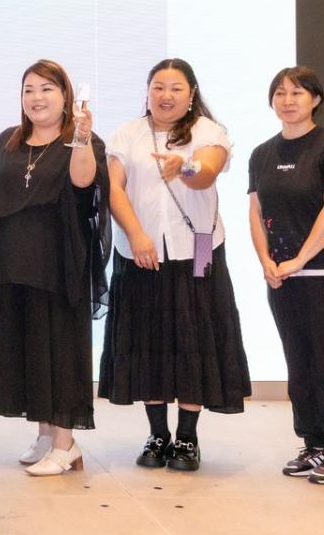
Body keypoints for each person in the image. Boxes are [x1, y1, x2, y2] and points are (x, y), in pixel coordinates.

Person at [98, 58, 249, 471]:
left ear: (191, 93)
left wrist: (184, 166)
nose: (166, 96)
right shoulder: (127, 134)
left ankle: (186, 437)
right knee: (148, 341)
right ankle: (157, 434)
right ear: (147, 91)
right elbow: (114, 189)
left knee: (193, 340)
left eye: (176, 88)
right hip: (140, 254)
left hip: (196, 252)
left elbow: (206, 172)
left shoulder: (208, 131)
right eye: (158, 87)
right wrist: (136, 235)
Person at [0, 60, 109, 476]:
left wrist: (81, 137)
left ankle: (66, 443)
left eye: (47, 89)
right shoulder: (8, 141)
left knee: (60, 349)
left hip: (58, 264)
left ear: (66, 96)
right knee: (26, 347)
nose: (37, 97)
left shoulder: (82, 140)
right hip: (11, 263)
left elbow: (84, 184)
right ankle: (46, 434)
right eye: (28, 89)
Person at [247, 66, 324, 485]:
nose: (288, 100)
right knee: (298, 363)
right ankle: (313, 443)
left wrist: (299, 260)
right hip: (281, 277)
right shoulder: (262, 153)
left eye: (297, 92)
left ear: (316, 99)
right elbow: (256, 212)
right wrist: (266, 261)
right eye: (280, 93)